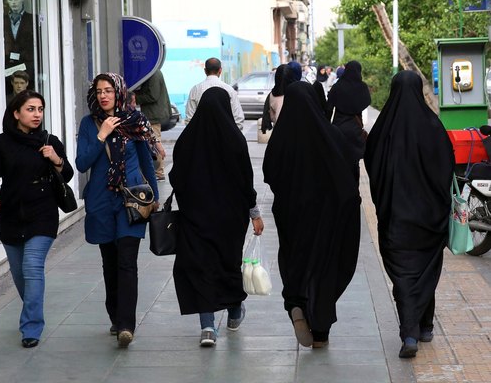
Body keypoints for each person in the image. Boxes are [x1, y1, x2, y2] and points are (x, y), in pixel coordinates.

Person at [263, 81, 361, 349]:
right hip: (326, 217)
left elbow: (268, 173)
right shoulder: (331, 135)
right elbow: (349, 176)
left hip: (290, 216)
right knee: (324, 268)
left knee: (295, 262)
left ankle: (296, 304)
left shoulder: (281, 138)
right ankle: (320, 332)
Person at [364, 70, 454, 359]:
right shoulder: (433, 128)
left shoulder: (383, 130)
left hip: (396, 219)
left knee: (404, 275)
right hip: (429, 220)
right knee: (426, 269)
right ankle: (423, 326)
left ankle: (410, 333)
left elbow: (372, 168)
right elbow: (447, 170)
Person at [170, 87, 264, 347]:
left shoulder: (188, 140)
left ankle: (208, 327)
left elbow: (175, 177)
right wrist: (254, 213)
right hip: (230, 221)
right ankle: (234, 313)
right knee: (228, 264)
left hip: (196, 218)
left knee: (201, 267)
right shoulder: (234, 139)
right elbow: (246, 180)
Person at [0, 90, 74, 348]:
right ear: (16, 113)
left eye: (40, 109)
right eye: (31, 109)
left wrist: (55, 159)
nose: (37, 114)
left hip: (42, 213)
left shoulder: (49, 140)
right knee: (19, 273)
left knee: (32, 267)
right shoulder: (1, 142)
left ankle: (31, 328)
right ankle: (32, 310)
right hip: (11, 212)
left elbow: (66, 173)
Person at [75, 72, 159, 348]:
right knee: (110, 263)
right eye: (99, 91)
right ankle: (115, 315)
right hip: (101, 202)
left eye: (109, 90)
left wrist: (154, 200)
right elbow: (81, 163)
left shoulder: (135, 122)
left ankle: (126, 324)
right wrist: (101, 135)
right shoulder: (89, 124)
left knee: (127, 262)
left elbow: (147, 164)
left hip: (131, 202)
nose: (103, 95)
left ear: (119, 92)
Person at [325, 60, 371, 181]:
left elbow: (328, 109)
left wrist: (326, 127)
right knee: (354, 163)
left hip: (338, 129)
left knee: (339, 163)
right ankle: (354, 192)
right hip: (355, 131)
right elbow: (366, 102)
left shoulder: (337, 87)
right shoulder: (362, 88)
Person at [185, 57, 245, 129]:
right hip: (225, 137)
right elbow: (238, 118)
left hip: (201, 137)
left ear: (205, 71)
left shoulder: (195, 89)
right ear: (220, 70)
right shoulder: (229, 90)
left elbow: (190, 118)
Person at [135, 70, 169, 181]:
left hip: (153, 114)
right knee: (153, 142)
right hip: (152, 113)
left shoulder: (153, 74)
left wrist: (135, 98)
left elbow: (153, 95)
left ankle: (158, 173)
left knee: (155, 142)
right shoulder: (153, 73)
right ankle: (157, 172)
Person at [4, 0, 36, 92]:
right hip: (7, 71)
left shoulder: (32, 20)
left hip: (27, 70)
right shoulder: (1, 20)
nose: (13, 3)